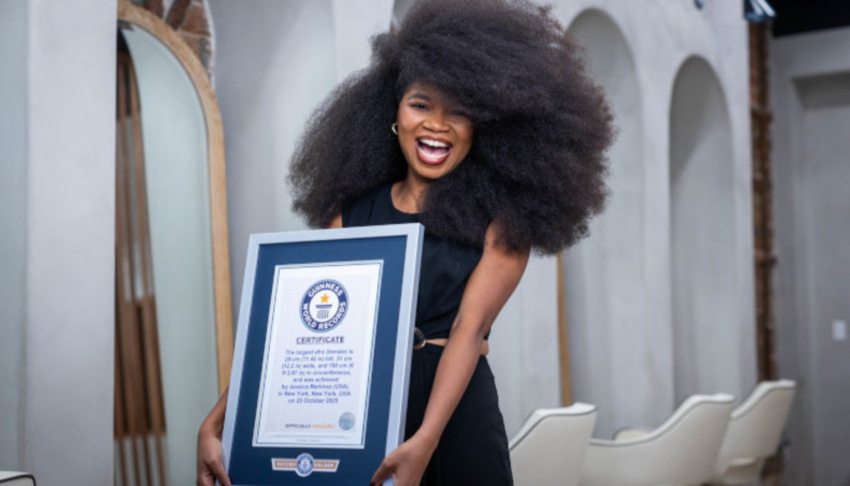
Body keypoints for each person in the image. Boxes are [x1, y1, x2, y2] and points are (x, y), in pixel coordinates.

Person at [197, 0, 613, 485]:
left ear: (482, 127)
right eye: (421, 104)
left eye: (458, 112)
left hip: (457, 415)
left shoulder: (502, 224)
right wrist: (218, 420)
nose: (437, 125)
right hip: (365, 411)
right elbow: (294, 334)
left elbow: (468, 331)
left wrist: (426, 439)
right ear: (391, 112)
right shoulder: (350, 214)